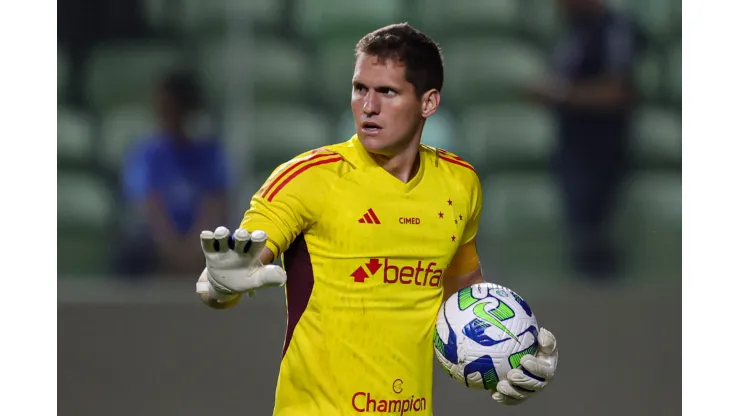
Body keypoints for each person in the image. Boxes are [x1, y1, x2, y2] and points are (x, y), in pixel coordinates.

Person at [196, 23, 559, 415]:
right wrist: (218, 284)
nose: (368, 106)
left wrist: (513, 357)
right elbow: (237, 266)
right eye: (359, 89)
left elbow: (463, 295)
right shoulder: (307, 179)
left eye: (387, 91)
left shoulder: (460, 183)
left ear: (428, 102)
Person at [525, 0, 645, 282]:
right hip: (572, 147)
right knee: (577, 237)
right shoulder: (573, 32)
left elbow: (618, 90)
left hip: (604, 150)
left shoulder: (615, 30)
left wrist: (562, 96)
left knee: (599, 240)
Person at [116, 70, 229, 277]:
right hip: (156, 247)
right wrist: (172, 251)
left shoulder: (210, 154)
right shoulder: (146, 154)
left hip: (203, 248)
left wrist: (195, 250)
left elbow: (215, 205)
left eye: (174, 108)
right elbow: (150, 208)